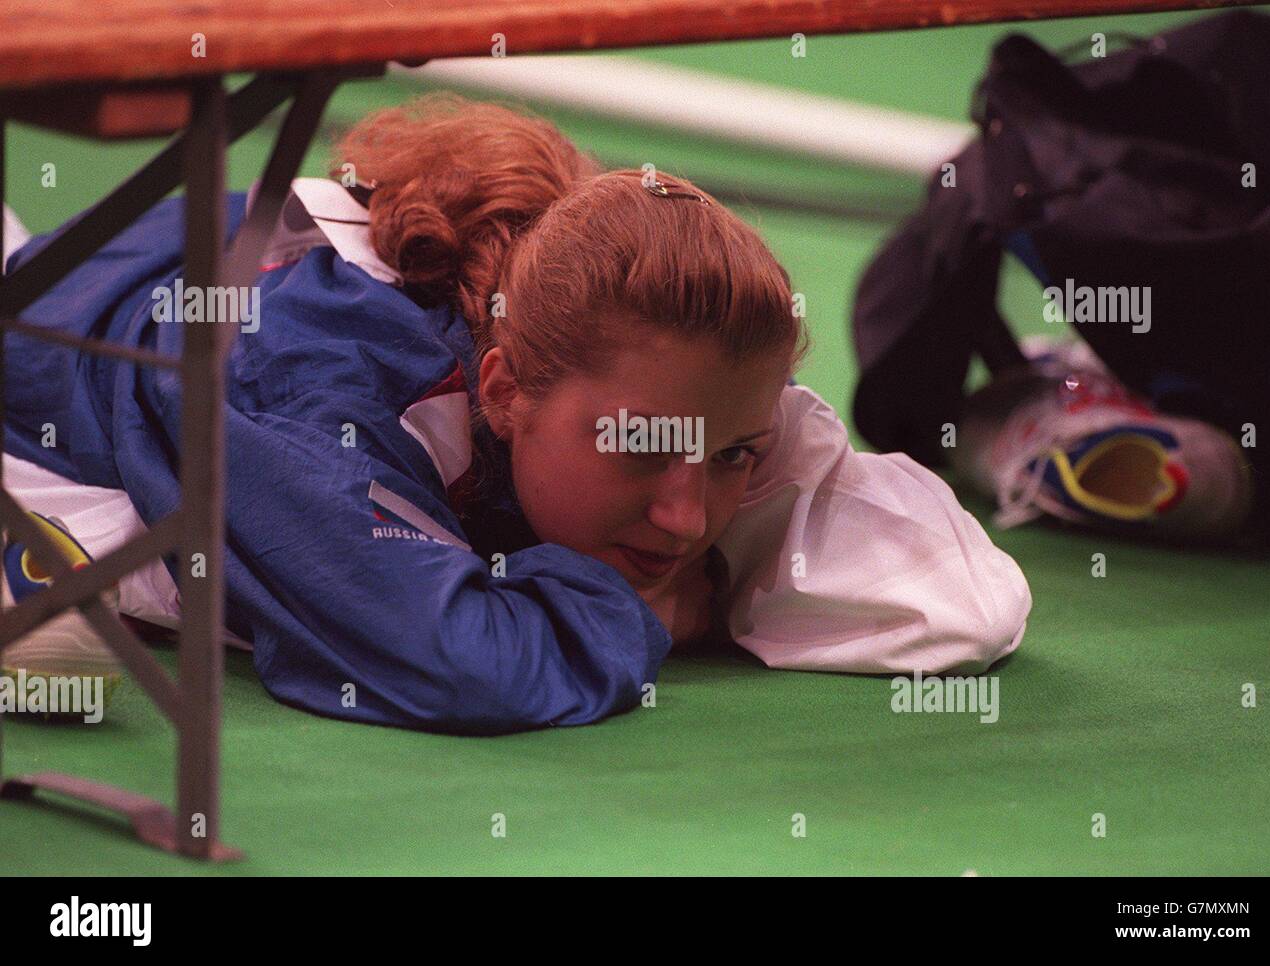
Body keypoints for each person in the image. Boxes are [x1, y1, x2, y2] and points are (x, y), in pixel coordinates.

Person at [1, 94, 1031, 735]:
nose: (684, 517)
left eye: (734, 460)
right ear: (501, 390)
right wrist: (654, 609)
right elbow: (460, 662)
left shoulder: (642, 363)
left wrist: (707, 565)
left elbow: (965, 603)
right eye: (641, 451)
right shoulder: (323, 402)